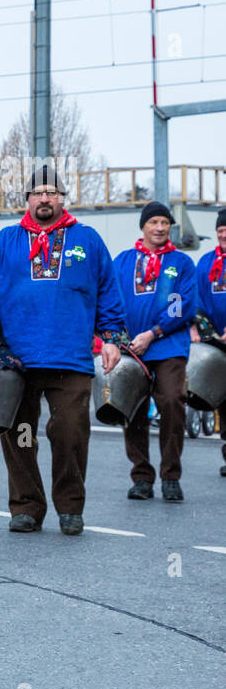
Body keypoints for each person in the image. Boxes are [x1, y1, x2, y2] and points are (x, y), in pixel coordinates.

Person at [0, 166, 125, 536]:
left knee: (69, 433)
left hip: (70, 357)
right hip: (15, 360)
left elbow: (108, 290)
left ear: (62, 198)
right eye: (37, 192)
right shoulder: (6, 240)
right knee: (21, 434)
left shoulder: (88, 240)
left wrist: (111, 337)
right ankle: (27, 506)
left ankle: (70, 507)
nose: (44, 198)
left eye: (52, 192)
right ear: (27, 199)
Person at [114, 202, 197, 502]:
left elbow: (181, 305)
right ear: (143, 226)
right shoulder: (123, 261)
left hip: (168, 346)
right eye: (154, 222)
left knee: (173, 401)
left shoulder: (181, 263)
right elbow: (110, 299)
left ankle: (170, 475)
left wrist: (153, 333)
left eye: (165, 222)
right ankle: (141, 475)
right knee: (132, 408)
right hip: (130, 347)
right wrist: (116, 337)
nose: (160, 228)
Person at [193, 208, 226, 477]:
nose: (223, 235)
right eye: (220, 231)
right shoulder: (206, 263)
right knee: (224, 400)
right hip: (217, 343)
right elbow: (197, 300)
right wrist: (206, 330)